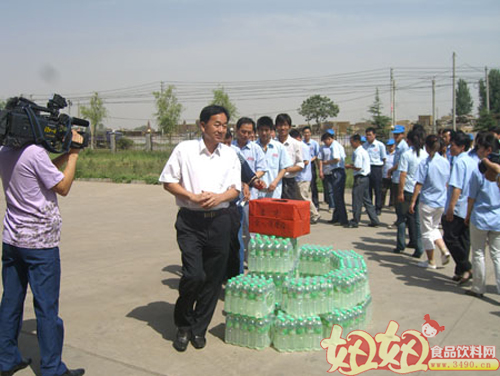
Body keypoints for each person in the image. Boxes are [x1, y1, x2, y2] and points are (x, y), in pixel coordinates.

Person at [0, 131, 86, 376]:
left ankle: (6, 360)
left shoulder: (5, 151)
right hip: (40, 245)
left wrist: (63, 155)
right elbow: (63, 186)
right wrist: (74, 156)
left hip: (12, 241)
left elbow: (41, 169)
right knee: (46, 308)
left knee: (10, 302)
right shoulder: (35, 153)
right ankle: (51, 368)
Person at [159, 105, 241, 352]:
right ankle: (183, 324)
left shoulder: (229, 154)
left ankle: (198, 329)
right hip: (191, 222)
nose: (221, 129)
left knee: (213, 280)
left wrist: (219, 197)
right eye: (216, 124)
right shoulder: (184, 150)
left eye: (224, 125)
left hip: (220, 221)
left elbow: (235, 189)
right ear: (202, 125)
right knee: (194, 275)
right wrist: (192, 197)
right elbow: (168, 181)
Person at [464, 132, 500, 298]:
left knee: (478, 253)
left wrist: (467, 214)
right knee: (497, 255)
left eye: (480, 148)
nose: (477, 151)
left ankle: (478, 287)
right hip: (497, 217)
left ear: (489, 150)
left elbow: (471, 197)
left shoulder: (479, 170)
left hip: (480, 217)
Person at [231, 117, 267, 275]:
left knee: (252, 232)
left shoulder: (255, 149)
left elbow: (261, 169)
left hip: (252, 197)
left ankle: (253, 264)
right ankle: (236, 265)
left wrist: (250, 180)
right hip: (232, 196)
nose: (246, 135)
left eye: (249, 132)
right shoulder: (229, 147)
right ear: (236, 130)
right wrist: (244, 182)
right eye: (243, 131)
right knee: (235, 233)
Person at [409, 135, 451, 269]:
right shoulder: (445, 162)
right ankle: (443, 249)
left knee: (427, 232)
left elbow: (419, 183)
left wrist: (413, 201)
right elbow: (447, 182)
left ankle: (431, 260)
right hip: (441, 201)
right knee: (433, 228)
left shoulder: (426, 163)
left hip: (427, 201)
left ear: (426, 147)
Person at [442, 131, 476, 284]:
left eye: (453, 146)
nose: (451, 149)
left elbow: (456, 187)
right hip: (467, 207)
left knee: (449, 238)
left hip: (458, 206)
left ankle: (467, 267)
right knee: (463, 240)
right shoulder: (472, 161)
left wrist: (451, 207)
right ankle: (461, 271)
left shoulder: (459, 162)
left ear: (462, 147)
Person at [393, 129, 428, 257]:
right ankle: (419, 246)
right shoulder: (425, 154)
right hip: (420, 190)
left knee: (402, 218)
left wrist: (400, 192)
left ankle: (401, 245)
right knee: (416, 220)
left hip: (408, 189)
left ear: (409, 141)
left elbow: (403, 174)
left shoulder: (407, 155)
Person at [345, 134, 381, 228]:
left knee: (357, 200)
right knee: (367, 200)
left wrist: (349, 166)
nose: (351, 144)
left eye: (352, 142)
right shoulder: (364, 151)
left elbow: (358, 167)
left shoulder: (358, 152)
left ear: (356, 142)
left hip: (360, 178)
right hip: (366, 178)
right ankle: (374, 219)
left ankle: (355, 220)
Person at [255, 116, 292, 199]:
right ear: (257, 131)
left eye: (266, 130)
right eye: (261, 130)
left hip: (274, 192)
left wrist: (275, 182)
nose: (264, 133)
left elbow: (284, 168)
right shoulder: (253, 147)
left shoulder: (279, 147)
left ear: (271, 131)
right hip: (256, 192)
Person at [290, 129, 321, 223]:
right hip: (299, 176)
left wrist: (295, 166)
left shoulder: (303, 147)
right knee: (299, 197)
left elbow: (306, 161)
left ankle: (315, 214)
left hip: (303, 176)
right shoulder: (299, 146)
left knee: (304, 197)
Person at [275, 114, 304, 200]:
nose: (282, 128)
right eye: (280, 125)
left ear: (289, 127)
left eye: (285, 125)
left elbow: (300, 164)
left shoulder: (296, 144)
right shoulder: (272, 144)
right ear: (276, 127)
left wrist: (286, 170)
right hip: (275, 182)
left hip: (290, 182)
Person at [387, 125, 409, 221]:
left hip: (400, 176)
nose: (395, 136)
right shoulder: (398, 145)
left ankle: (402, 221)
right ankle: (400, 220)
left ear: (403, 135)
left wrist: (391, 169)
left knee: (400, 202)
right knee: (397, 202)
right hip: (396, 177)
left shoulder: (404, 147)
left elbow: (401, 163)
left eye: (398, 134)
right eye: (394, 134)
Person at [364, 127, 387, 215]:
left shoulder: (380, 145)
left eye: (370, 135)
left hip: (376, 168)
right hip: (367, 168)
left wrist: (381, 169)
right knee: (368, 189)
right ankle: (369, 208)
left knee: (377, 189)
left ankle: (378, 208)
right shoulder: (365, 145)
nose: (368, 137)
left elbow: (384, 158)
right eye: (367, 135)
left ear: (374, 135)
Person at [302, 126, 320, 210]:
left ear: (310, 133)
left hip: (311, 164)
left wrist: (311, 160)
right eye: (305, 133)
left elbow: (317, 155)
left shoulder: (314, 143)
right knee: (304, 186)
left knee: (313, 185)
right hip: (303, 165)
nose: (306, 134)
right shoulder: (301, 143)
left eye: (308, 132)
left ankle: (316, 203)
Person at [381, 139, 396, 208]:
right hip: (385, 175)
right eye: (389, 146)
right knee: (383, 190)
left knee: (393, 191)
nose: (390, 147)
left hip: (393, 175)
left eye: (392, 145)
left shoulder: (396, 154)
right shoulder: (385, 154)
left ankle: (391, 204)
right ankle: (382, 203)